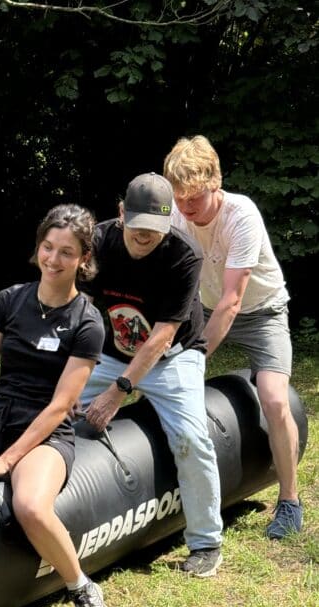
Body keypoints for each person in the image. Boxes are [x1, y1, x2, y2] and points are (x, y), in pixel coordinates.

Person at [0, 203, 113, 607]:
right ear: (38, 247)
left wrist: (7, 460)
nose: (53, 259)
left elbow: (59, 406)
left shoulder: (88, 322)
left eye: (67, 252)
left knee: (31, 506)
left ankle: (80, 586)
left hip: (47, 434)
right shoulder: (10, 300)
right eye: (48, 247)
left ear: (83, 259)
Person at [79, 173, 224, 578]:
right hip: (110, 352)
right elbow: (81, 308)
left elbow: (162, 336)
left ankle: (206, 541)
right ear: (121, 213)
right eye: (138, 226)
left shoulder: (184, 255)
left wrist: (119, 391)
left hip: (174, 356)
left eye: (155, 228)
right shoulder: (99, 242)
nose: (146, 236)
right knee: (59, 408)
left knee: (191, 438)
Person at [163, 135, 302, 540]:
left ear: (215, 183)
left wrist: (195, 356)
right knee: (160, 376)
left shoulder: (241, 215)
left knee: (274, 399)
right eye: (179, 198)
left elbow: (232, 300)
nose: (186, 208)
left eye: (194, 198)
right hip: (203, 307)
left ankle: (290, 501)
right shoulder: (176, 213)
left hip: (261, 312)